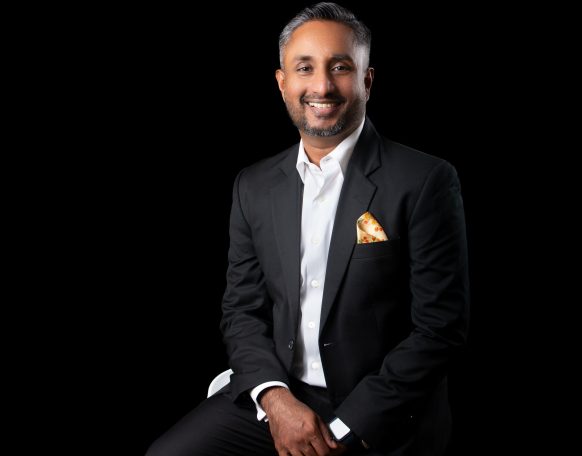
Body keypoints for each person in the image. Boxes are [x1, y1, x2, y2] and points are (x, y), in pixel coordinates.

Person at [147, 2, 469, 455]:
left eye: (340, 67)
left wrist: (342, 430)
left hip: (382, 410)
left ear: (367, 81)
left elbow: (439, 328)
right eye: (304, 68)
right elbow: (242, 311)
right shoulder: (253, 185)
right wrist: (275, 401)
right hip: (283, 393)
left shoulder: (424, 180)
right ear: (282, 83)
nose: (321, 86)